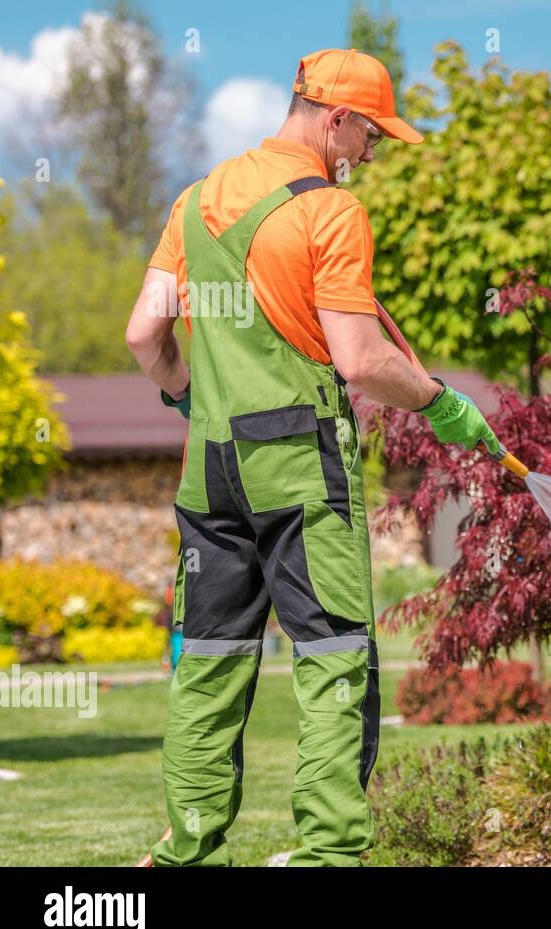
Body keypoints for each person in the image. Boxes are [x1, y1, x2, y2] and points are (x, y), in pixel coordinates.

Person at [124, 48, 501, 866]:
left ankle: (185, 853)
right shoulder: (330, 213)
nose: (374, 153)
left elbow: (142, 334)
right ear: (335, 117)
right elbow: (361, 360)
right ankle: (330, 856)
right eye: (372, 135)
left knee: (212, 663)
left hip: (210, 474)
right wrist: (439, 399)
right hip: (300, 467)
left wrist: (188, 396)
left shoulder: (196, 201)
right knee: (333, 659)